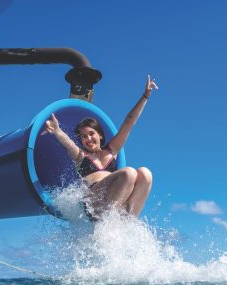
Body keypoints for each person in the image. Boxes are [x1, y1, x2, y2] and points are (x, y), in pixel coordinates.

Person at [44, 75, 158, 219]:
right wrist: (57, 130)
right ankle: (107, 222)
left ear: (100, 135)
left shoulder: (112, 150)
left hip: (115, 199)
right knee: (128, 173)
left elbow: (129, 123)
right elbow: (68, 143)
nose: (88, 139)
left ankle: (129, 220)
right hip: (93, 203)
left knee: (145, 173)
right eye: (83, 137)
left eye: (91, 134)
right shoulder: (81, 156)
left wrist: (145, 96)